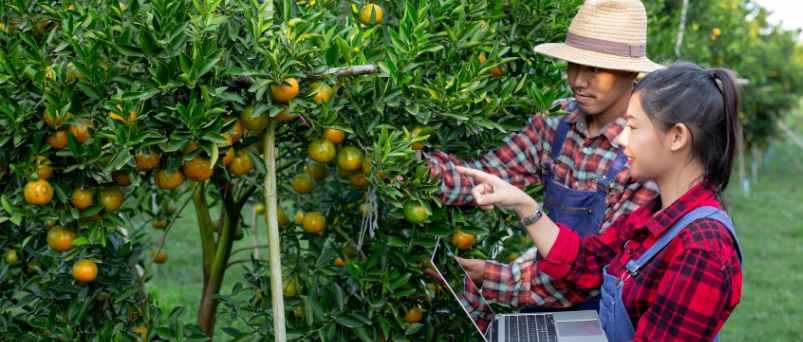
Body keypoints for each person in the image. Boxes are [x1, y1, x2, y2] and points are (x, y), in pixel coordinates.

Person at [457, 62, 743, 341]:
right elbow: (587, 262)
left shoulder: (702, 248)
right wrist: (523, 205)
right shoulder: (655, 215)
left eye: (632, 126)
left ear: (677, 137)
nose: (620, 138)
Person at [426, 0, 660, 318]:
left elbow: (597, 271)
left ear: (631, 71)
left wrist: (491, 277)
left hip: (604, 313)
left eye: (595, 69)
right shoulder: (557, 120)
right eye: (573, 65)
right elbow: (489, 176)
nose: (578, 80)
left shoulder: (644, 149)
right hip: (545, 299)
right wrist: (412, 171)